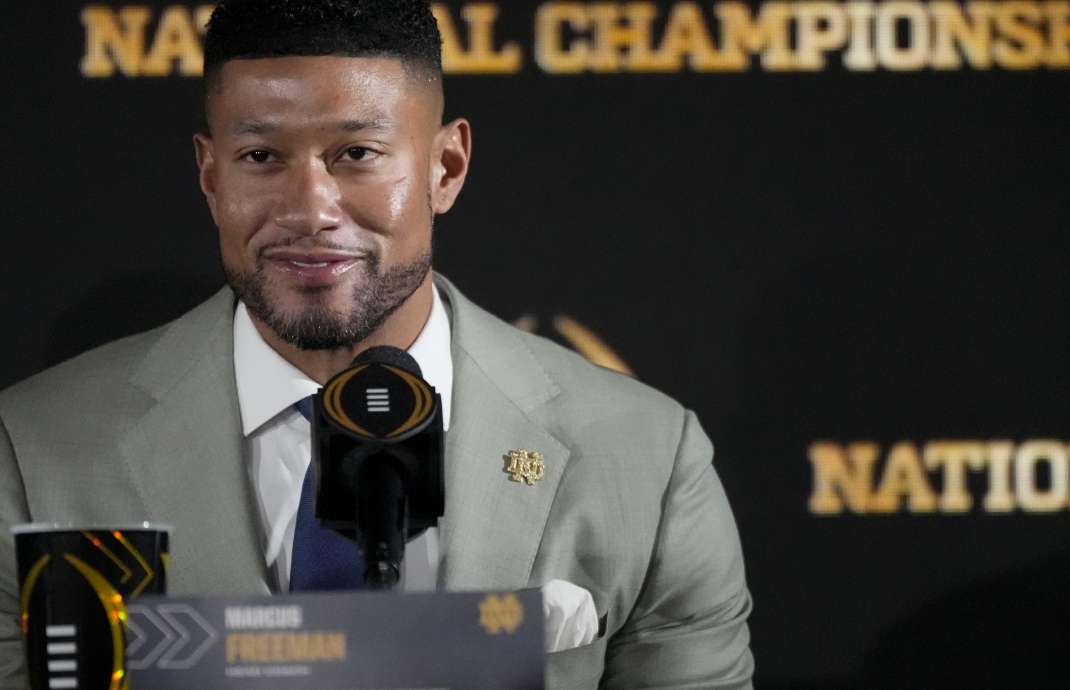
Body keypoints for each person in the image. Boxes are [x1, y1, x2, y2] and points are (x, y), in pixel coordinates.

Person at [0, 1, 753, 687]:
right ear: (210, 176)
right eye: (261, 157)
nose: (309, 210)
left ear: (445, 168)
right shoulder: (33, 450)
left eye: (357, 153)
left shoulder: (646, 459)